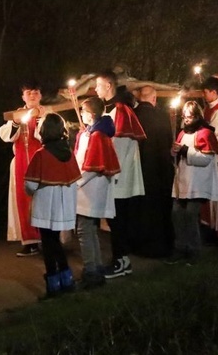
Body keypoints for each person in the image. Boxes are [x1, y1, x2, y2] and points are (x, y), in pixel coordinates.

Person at [94, 71, 146, 279]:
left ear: (108, 86)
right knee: (116, 220)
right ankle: (121, 259)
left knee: (119, 220)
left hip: (119, 175)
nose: (96, 89)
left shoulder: (120, 110)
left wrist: (112, 172)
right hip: (117, 173)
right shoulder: (112, 110)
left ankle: (121, 261)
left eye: (98, 85)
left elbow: (120, 145)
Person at [24, 113, 82, 298]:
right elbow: (74, 180)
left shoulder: (41, 155)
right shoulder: (69, 152)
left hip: (46, 207)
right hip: (63, 207)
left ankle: (53, 284)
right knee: (55, 243)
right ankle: (67, 279)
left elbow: (31, 185)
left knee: (49, 246)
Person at [74, 97, 121, 289]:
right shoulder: (91, 133)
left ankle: (91, 271)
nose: (82, 114)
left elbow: (93, 166)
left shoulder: (98, 136)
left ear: (92, 114)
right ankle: (96, 267)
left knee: (85, 230)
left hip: (90, 191)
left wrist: (75, 182)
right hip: (88, 190)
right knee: (90, 230)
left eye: (84, 111)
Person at [168, 101, 218, 263]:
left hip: (198, 182)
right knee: (177, 214)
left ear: (197, 116)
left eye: (189, 117)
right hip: (183, 181)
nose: (186, 120)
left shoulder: (205, 133)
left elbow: (206, 159)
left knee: (191, 215)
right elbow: (177, 154)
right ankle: (180, 248)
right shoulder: (183, 133)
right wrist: (174, 151)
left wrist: (185, 150)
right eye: (184, 116)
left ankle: (194, 250)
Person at [0, 83, 44, 257]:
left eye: (36, 92)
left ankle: (48, 239)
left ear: (40, 95)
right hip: (21, 165)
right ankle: (31, 241)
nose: (32, 95)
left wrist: (40, 122)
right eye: (28, 92)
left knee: (45, 201)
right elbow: (5, 136)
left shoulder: (48, 113)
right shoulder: (16, 115)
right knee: (24, 201)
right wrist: (16, 123)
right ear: (23, 97)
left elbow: (50, 135)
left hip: (43, 164)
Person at [130, 85, 174, 258]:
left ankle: (138, 244)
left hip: (137, 168)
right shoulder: (161, 116)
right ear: (154, 99)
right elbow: (167, 141)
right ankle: (161, 245)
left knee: (139, 208)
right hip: (159, 169)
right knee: (158, 209)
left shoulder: (132, 115)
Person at [199, 76, 218, 236]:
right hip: (207, 155)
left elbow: (213, 133)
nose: (203, 95)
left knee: (213, 195)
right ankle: (207, 225)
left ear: (214, 92)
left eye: (205, 92)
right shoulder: (210, 107)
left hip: (215, 157)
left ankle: (214, 227)